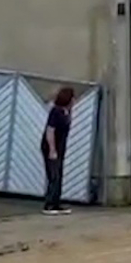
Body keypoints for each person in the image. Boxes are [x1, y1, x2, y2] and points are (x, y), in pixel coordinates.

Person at [40, 86, 75, 215]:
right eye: (72, 98)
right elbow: (50, 131)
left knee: (58, 174)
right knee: (53, 175)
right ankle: (49, 204)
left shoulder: (67, 112)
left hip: (60, 147)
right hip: (50, 147)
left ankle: (56, 202)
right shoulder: (56, 112)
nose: (74, 101)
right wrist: (52, 150)